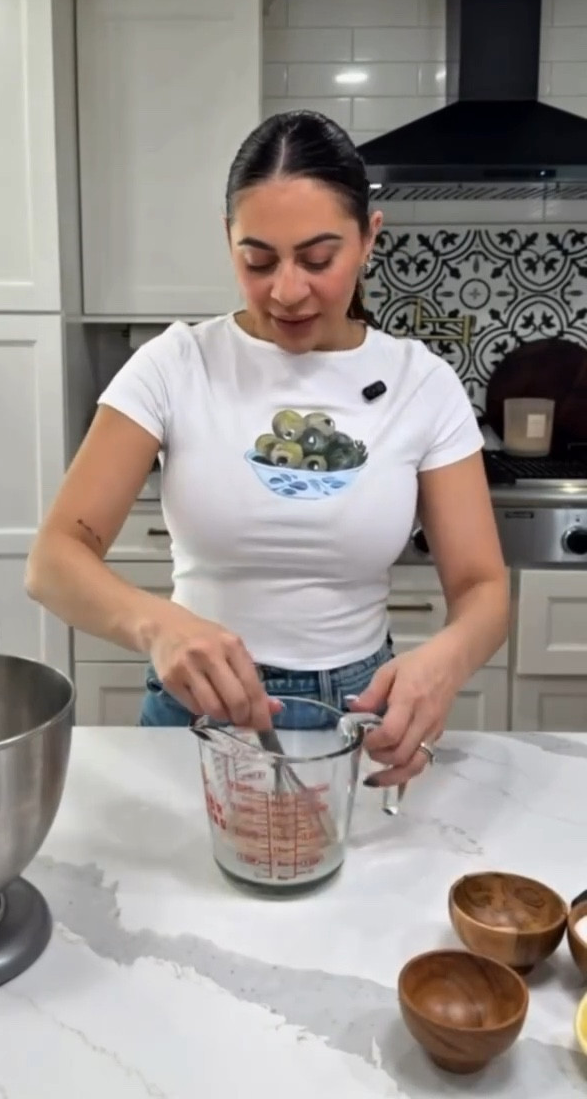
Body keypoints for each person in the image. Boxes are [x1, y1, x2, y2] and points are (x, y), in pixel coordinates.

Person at [25, 110, 509, 791]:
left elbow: (483, 588)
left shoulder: (420, 382)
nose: (286, 290)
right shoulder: (174, 364)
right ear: (228, 241)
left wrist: (444, 664)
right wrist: (157, 625)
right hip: (200, 709)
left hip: (364, 717)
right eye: (258, 260)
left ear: (369, 239)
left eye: (318, 259)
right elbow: (53, 561)